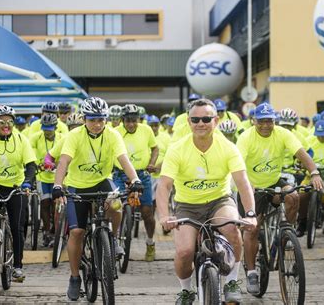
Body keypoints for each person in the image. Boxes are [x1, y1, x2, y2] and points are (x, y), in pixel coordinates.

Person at [156, 98, 257, 304]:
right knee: (184, 251)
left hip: (219, 201)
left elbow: (243, 183)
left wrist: (251, 214)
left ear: (216, 120)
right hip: (187, 206)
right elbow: (164, 185)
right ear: (188, 121)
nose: (200, 123)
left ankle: (231, 282)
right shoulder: (177, 149)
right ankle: (186, 291)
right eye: (195, 119)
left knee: (231, 228)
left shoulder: (228, 148)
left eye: (206, 118)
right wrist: (165, 216)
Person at [51, 97, 143, 301]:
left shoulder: (112, 135)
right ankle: (75, 278)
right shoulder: (74, 135)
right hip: (78, 185)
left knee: (117, 203)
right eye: (93, 120)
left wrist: (135, 179)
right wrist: (58, 185)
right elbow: (64, 161)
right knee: (77, 231)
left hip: (102, 181)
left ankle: (114, 238)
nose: (97, 124)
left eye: (101, 119)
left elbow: (123, 159)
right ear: (84, 119)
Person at [236, 102, 323, 294]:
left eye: (270, 121)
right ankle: (251, 272)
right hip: (251, 187)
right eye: (261, 121)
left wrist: (314, 172)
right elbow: (238, 164)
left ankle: (286, 235)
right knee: (252, 228)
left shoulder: (283, 133)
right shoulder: (246, 137)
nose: (266, 125)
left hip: (273, 181)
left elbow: (302, 154)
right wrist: (246, 184)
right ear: (253, 121)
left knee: (292, 196)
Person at [0, 105, 37, 282]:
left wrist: (27, 181)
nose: (7, 125)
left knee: (17, 227)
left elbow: (31, 165)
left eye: (10, 122)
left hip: (16, 186)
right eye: (2, 122)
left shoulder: (22, 140)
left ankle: (18, 267)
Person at [113, 104, 159, 262]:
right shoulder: (116, 132)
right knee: (116, 207)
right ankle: (114, 242)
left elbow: (155, 149)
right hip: (120, 174)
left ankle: (150, 243)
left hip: (142, 175)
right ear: (122, 120)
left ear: (139, 119)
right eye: (127, 121)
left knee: (147, 212)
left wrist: (152, 163)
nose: (131, 124)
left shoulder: (146, 130)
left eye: (134, 120)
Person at [29, 113, 63, 247]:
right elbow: (31, 153)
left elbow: (65, 154)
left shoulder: (61, 138)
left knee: (56, 204)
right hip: (42, 176)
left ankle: (56, 230)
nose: (47, 132)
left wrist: (57, 164)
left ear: (55, 127)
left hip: (57, 175)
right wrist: (38, 163)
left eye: (49, 129)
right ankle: (47, 231)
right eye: (45, 128)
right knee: (45, 203)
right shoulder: (36, 138)